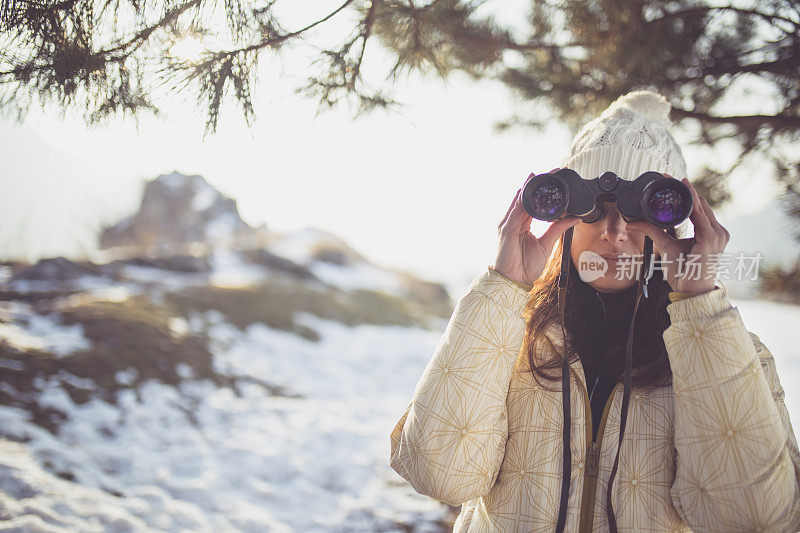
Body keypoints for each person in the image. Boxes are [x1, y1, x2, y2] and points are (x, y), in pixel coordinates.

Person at [389, 90, 800, 532]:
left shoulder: (726, 351)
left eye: (641, 211)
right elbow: (438, 471)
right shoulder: (507, 332)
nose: (615, 231)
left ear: (676, 225)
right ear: (564, 215)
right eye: (594, 210)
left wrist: (700, 305)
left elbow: (756, 517)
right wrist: (504, 287)